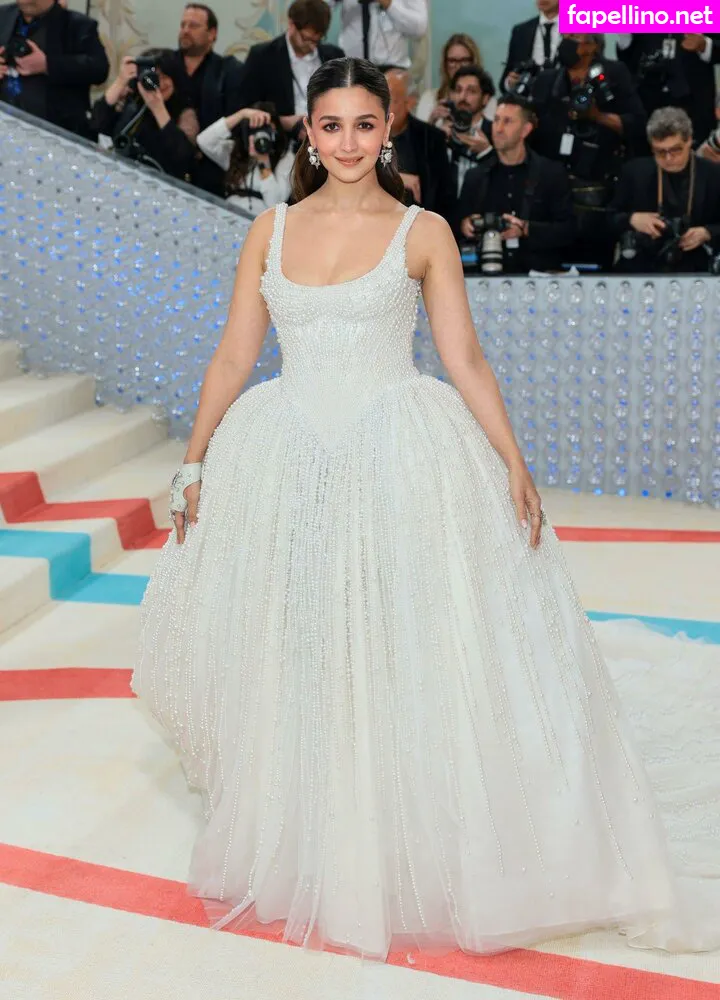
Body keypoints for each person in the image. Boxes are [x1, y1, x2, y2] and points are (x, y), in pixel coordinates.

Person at [132, 56, 720, 962]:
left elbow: (464, 357)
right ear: (308, 132)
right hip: (283, 455)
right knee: (297, 637)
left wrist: (513, 460)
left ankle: (407, 822)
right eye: (331, 125)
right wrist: (193, 460)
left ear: (389, 129)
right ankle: (313, 814)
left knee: (405, 638)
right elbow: (233, 356)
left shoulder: (425, 231)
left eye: (365, 125)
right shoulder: (270, 230)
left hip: (399, 451)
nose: (348, 142)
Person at [530, 33, 646, 266]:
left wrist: (597, 116)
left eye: (574, 35)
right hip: (554, 189)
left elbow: (637, 124)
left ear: (592, 45)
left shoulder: (611, 74)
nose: (567, 40)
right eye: (565, 34)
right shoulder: (548, 79)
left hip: (599, 188)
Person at [457, 94, 576, 273]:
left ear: (525, 130)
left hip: (538, 274)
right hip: (486, 274)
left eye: (507, 121)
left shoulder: (551, 174)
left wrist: (526, 229)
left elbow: (569, 230)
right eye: (496, 120)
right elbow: (456, 224)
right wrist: (465, 225)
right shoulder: (476, 177)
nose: (498, 128)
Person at [608, 106, 720, 273]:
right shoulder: (634, 172)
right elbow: (607, 218)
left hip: (696, 266)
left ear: (689, 141)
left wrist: (708, 232)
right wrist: (631, 219)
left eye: (676, 150)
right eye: (660, 152)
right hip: (642, 265)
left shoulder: (713, 174)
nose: (668, 158)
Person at [235, 0, 343, 141]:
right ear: (291, 24)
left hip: (329, 139)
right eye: (306, 38)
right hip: (281, 143)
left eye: (316, 41)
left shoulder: (334, 57)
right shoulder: (262, 56)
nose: (311, 46)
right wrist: (283, 122)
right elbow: (247, 109)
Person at [0, 0, 109, 139]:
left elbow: (99, 69)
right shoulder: (3, 15)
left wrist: (47, 65)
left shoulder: (78, 25)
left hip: (54, 131)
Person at [90, 49, 199, 180]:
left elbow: (183, 157)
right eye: (154, 77)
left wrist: (158, 109)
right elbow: (96, 124)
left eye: (165, 77)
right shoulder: (132, 102)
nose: (159, 84)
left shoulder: (185, 113)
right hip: (119, 175)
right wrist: (120, 82)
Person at [172, 3, 246, 194]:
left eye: (193, 25)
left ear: (212, 33)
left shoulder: (228, 70)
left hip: (210, 170)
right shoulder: (165, 66)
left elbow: (233, 124)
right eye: (183, 25)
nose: (185, 30)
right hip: (167, 165)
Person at [615, 33, 720, 149]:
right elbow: (627, 58)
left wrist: (705, 45)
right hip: (647, 105)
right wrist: (625, 36)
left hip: (694, 106)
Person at [382, 65, 455, 218]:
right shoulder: (364, 134)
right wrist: (395, 177)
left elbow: (444, 197)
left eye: (389, 100)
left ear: (410, 103)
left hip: (419, 224)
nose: (382, 107)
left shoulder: (431, 139)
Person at [197, 104, 294, 216]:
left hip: (260, 221)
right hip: (229, 215)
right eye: (255, 129)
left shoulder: (286, 158)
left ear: (275, 132)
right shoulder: (235, 152)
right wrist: (241, 114)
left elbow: (275, 204)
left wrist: (263, 163)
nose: (260, 135)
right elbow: (203, 140)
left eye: (265, 129)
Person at [435, 65, 495, 198]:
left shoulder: (496, 133)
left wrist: (487, 152)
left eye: (471, 91)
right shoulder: (439, 133)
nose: (462, 96)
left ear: (485, 98)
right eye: (458, 90)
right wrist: (433, 135)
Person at [415, 32, 493, 125]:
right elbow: (417, 133)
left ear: (474, 62)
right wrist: (432, 123)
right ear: (445, 65)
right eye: (452, 61)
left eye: (464, 61)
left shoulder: (488, 101)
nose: (458, 67)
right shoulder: (429, 98)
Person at [329, 0, 427, 69]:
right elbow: (320, 11)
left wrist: (388, 4)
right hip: (350, 68)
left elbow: (419, 29)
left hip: (392, 71)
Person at [503, 0, 561, 93]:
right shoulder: (521, 31)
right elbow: (507, 76)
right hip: (527, 97)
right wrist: (510, 83)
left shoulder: (579, 27)